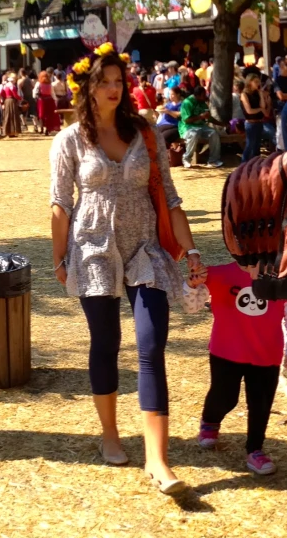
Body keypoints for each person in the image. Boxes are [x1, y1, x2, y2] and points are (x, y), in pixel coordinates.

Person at [49, 45, 205, 490]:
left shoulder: (145, 133)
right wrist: (60, 259)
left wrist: (191, 252)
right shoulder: (70, 140)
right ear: (88, 87)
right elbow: (60, 204)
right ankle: (111, 435)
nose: (114, 89)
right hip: (93, 247)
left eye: (119, 81)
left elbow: (171, 198)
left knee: (152, 344)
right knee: (106, 341)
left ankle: (157, 459)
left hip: (146, 248)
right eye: (105, 82)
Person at [194, 262, 287, 475]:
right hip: (226, 351)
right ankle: (210, 421)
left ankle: (255, 448)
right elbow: (190, 305)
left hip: (266, 353)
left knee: (261, 403)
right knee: (225, 397)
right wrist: (193, 284)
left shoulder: (285, 278)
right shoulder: (218, 274)